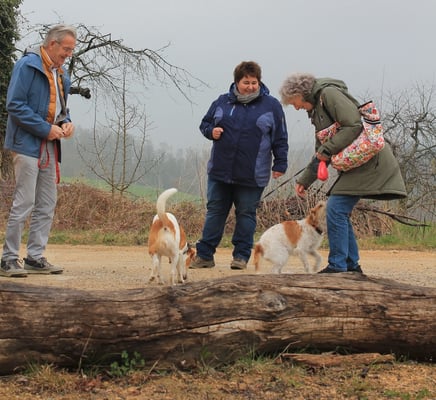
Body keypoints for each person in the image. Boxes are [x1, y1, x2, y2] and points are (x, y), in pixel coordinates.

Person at [279, 73, 407, 273]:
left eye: (294, 102)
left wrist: (326, 150)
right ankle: (350, 265)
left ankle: (338, 266)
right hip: (356, 165)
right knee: (338, 210)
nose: (295, 108)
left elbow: (353, 125)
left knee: (336, 209)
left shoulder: (329, 94)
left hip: (370, 162)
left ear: (300, 94)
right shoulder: (316, 111)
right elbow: (321, 151)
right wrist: (305, 180)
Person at [190, 61, 289, 270]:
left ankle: (241, 257)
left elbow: (280, 138)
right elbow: (205, 124)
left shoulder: (271, 106)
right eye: (246, 82)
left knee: (246, 214)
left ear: (259, 82)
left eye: (254, 82)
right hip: (220, 171)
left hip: (252, 174)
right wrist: (211, 132)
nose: (251, 87)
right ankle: (205, 255)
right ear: (236, 82)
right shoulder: (222, 102)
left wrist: (280, 163)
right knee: (215, 212)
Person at [0, 24, 77, 278]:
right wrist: (46, 129)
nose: (69, 55)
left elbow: (61, 110)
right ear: (52, 44)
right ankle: (8, 259)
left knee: (47, 202)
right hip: (26, 143)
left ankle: (35, 257)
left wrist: (66, 123)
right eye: (66, 49)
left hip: (50, 145)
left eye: (71, 50)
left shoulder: (61, 73)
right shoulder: (27, 66)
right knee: (25, 202)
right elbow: (14, 105)